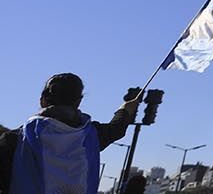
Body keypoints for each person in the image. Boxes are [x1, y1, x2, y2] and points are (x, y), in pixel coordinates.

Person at [0, 73, 138, 194]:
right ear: (78, 101)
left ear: (43, 99)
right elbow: (116, 129)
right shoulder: (90, 137)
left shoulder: (16, 140)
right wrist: (125, 109)